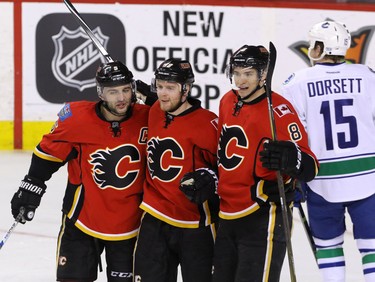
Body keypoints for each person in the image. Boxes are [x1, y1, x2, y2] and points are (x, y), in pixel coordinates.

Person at [10, 61, 150, 282]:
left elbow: (185, 120)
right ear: (100, 94)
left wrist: (157, 102)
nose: (121, 98)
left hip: (131, 226)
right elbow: (48, 154)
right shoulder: (77, 118)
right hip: (81, 222)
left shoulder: (149, 116)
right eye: (113, 92)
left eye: (125, 90)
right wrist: (32, 184)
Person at [212, 44, 319, 282]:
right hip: (227, 213)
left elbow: (311, 164)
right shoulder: (227, 101)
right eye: (237, 72)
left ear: (263, 75)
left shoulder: (279, 110)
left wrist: (292, 159)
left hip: (264, 213)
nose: (240, 80)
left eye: (248, 73)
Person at [281, 20, 375, 282]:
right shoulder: (367, 76)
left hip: (322, 179)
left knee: (328, 247)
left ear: (321, 47)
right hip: (367, 177)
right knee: (372, 248)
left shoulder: (297, 82)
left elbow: (289, 132)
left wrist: (294, 175)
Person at [133, 58, 219, 282]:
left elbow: (228, 170)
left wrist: (211, 179)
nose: (163, 94)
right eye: (159, 86)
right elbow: (162, 106)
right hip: (154, 218)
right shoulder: (154, 111)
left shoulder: (208, 124)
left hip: (196, 224)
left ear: (186, 89)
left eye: (170, 88)